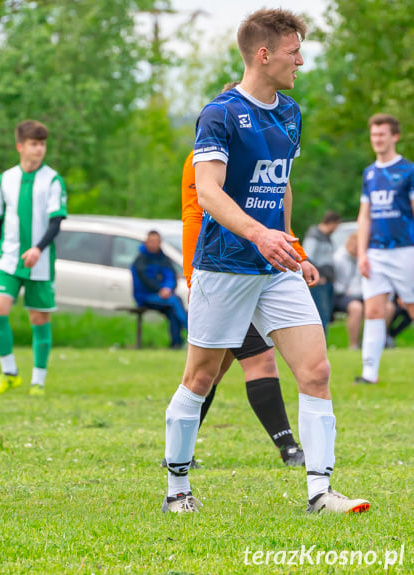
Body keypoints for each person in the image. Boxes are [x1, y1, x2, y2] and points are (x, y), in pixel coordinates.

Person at [163, 9, 369, 514]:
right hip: (224, 263)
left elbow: (281, 184)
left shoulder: (291, 113)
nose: (300, 60)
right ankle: (177, 489)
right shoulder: (220, 114)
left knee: (315, 370)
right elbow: (208, 193)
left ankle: (320, 492)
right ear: (264, 54)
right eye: (294, 51)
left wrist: (291, 245)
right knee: (200, 378)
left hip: (276, 268)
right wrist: (259, 235)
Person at [180, 106, 311, 467]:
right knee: (235, 365)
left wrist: (296, 252)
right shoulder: (205, 156)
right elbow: (195, 214)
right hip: (224, 274)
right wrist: (195, 276)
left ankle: (180, 452)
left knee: (213, 371)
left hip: (263, 274)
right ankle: (289, 449)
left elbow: (279, 204)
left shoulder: (266, 151)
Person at [0, 120, 67, 397]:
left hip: (39, 262)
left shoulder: (53, 180)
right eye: (33, 143)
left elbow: (56, 222)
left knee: (39, 319)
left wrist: (38, 249)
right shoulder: (3, 180)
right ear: (20, 146)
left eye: (42, 144)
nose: (39, 149)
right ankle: (9, 373)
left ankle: (38, 382)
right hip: (8, 260)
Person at [355, 113, 414, 384]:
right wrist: (362, 252)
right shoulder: (369, 172)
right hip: (376, 252)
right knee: (373, 310)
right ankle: (369, 373)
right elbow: (364, 216)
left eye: (382, 134)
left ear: (395, 136)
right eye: (374, 135)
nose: (377, 139)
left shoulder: (408, 170)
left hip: (405, 249)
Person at [131, 231, 187, 349]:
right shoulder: (140, 260)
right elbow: (144, 281)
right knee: (174, 301)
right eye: (151, 241)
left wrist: (168, 288)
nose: (154, 244)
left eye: (156, 241)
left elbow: (171, 276)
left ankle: (176, 344)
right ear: (146, 242)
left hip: (163, 297)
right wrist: (160, 289)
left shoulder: (163, 258)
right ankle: (190, 329)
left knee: (173, 310)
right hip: (145, 296)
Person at [302, 211, 341, 333]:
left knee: (326, 314)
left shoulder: (327, 237)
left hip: (328, 281)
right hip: (320, 281)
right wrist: (318, 275)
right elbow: (307, 256)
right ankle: (319, 341)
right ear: (332, 223)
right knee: (320, 312)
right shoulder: (314, 235)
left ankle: (324, 342)